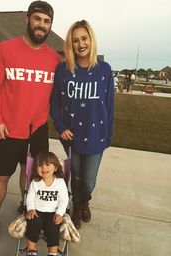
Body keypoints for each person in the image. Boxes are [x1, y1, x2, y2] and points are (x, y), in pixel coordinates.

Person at [0, 1, 61, 250]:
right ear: (27, 19)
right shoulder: (5, 49)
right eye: (37, 19)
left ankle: (28, 209)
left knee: (33, 178)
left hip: (36, 129)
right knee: (2, 176)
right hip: (7, 129)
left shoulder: (53, 59)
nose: (41, 25)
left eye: (46, 21)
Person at [50, 20, 114, 229]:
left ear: (91, 40)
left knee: (88, 180)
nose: (80, 44)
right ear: (71, 44)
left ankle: (85, 199)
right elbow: (55, 102)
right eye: (75, 40)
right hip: (73, 135)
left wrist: (108, 134)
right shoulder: (64, 70)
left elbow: (110, 105)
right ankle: (77, 206)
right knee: (75, 177)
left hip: (96, 135)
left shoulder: (104, 70)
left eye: (84, 38)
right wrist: (60, 127)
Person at [25, 151, 68, 256]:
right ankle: (31, 251)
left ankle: (52, 253)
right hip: (37, 211)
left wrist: (60, 213)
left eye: (48, 165)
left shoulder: (60, 182)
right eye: (40, 165)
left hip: (53, 212)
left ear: (56, 168)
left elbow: (64, 199)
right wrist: (31, 209)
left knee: (53, 227)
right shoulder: (35, 182)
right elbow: (30, 197)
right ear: (36, 169)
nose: (44, 168)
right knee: (33, 223)